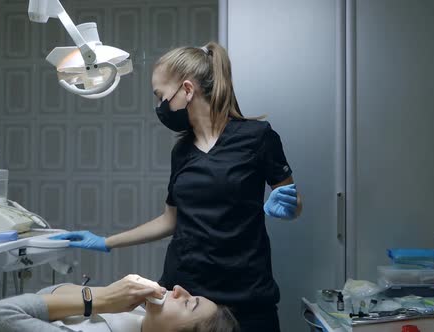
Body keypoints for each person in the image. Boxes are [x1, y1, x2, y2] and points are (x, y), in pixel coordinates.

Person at [50, 41, 303, 331]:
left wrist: (288, 207)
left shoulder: (257, 137)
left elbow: (294, 202)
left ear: (186, 89)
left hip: (246, 296)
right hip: (185, 291)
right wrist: (105, 242)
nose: (160, 107)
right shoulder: (182, 151)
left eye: (160, 96)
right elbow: (171, 219)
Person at [0, 274, 239, 332]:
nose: (180, 290)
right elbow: (46, 295)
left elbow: (0, 313)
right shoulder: (137, 313)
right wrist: (102, 298)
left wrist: (100, 298)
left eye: (188, 304)